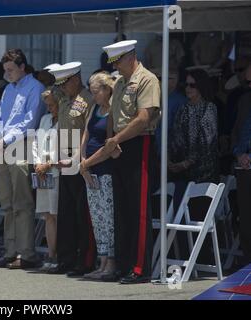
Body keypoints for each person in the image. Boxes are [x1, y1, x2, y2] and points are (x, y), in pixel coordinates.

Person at [102, 40, 161, 283]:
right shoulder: (119, 82)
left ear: (130, 57)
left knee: (139, 210)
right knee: (122, 209)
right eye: (113, 62)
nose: (115, 66)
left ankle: (140, 268)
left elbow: (144, 118)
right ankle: (124, 264)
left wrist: (115, 139)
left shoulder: (147, 79)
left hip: (140, 144)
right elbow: (112, 115)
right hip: (119, 146)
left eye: (118, 61)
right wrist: (111, 141)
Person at [0, 49, 45, 269]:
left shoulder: (35, 88)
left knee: (22, 202)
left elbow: (29, 121)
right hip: (3, 147)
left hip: (22, 146)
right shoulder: (8, 90)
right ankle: (10, 250)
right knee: (8, 202)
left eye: (11, 70)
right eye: (5, 71)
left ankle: (26, 252)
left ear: (23, 67)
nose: (8, 74)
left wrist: (4, 139)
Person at [46, 62, 97, 277]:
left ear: (75, 79)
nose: (62, 88)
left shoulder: (88, 100)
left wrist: (75, 160)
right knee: (65, 213)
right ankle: (65, 258)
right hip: (63, 161)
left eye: (65, 83)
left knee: (81, 214)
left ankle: (83, 260)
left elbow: (87, 133)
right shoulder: (65, 100)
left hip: (80, 161)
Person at [79, 71, 119, 280]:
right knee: (97, 218)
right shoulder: (94, 108)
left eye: (96, 92)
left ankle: (111, 263)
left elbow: (109, 145)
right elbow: (86, 135)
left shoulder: (113, 110)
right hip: (89, 170)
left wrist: (88, 163)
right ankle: (101, 261)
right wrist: (83, 164)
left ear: (106, 89)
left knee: (108, 218)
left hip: (105, 170)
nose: (93, 96)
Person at [169, 69, 219, 212]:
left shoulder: (209, 108)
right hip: (183, 173)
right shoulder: (183, 109)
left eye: (192, 85)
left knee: (198, 216)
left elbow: (207, 144)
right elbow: (175, 138)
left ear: (201, 86)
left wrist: (186, 163)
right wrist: (171, 162)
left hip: (203, 174)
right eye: (186, 85)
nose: (188, 88)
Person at [32, 88, 60, 272]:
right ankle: (51, 254)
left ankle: (60, 255)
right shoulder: (44, 119)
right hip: (42, 173)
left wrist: (48, 164)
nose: (49, 109)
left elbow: (64, 146)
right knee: (48, 215)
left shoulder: (64, 120)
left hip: (57, 171)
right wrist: (37, 164)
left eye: (52, 105)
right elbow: (36, 142)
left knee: (58, 214)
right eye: (47, 105)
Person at [231, 65, 251, 264]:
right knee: (245, 218)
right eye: (248, 82)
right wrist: (239, 154)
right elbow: (236, 131)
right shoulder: (245, 100)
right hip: (244, 167)